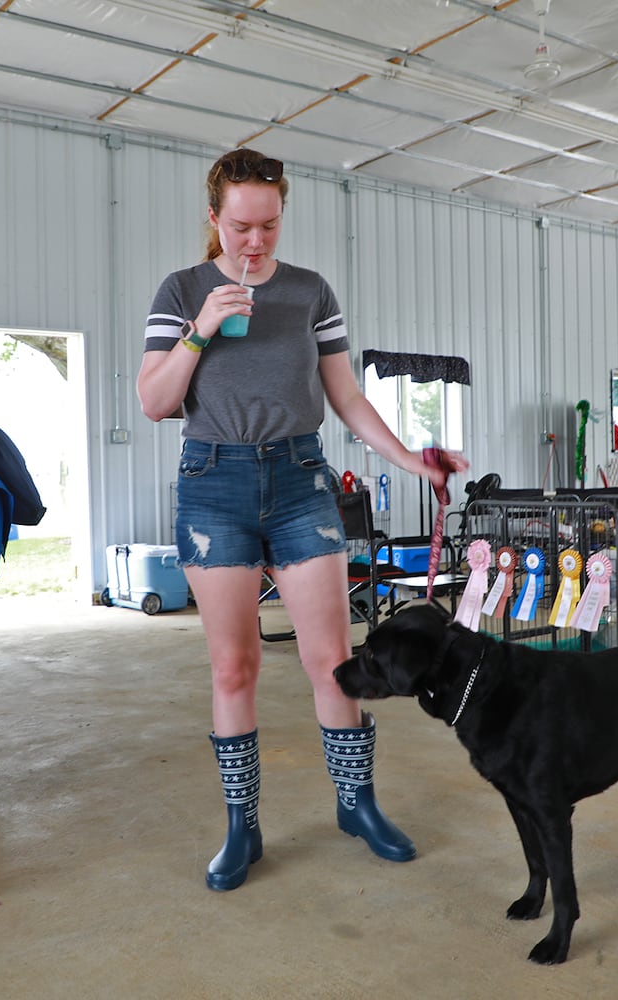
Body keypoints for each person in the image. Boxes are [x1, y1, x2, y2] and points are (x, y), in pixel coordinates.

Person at [138, 147, 467, 891]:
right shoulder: (182, 287)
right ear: (214, 218)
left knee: (332, 658)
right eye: (241, 227)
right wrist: (200, 328)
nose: (255, 242)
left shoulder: (311, 291)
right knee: (234, 666)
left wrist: (412, 459)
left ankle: (357, 804)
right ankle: (241, 826)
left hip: (299, 480)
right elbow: (156, 402)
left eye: (270, 226)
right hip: (212, 481)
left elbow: (346, 398)